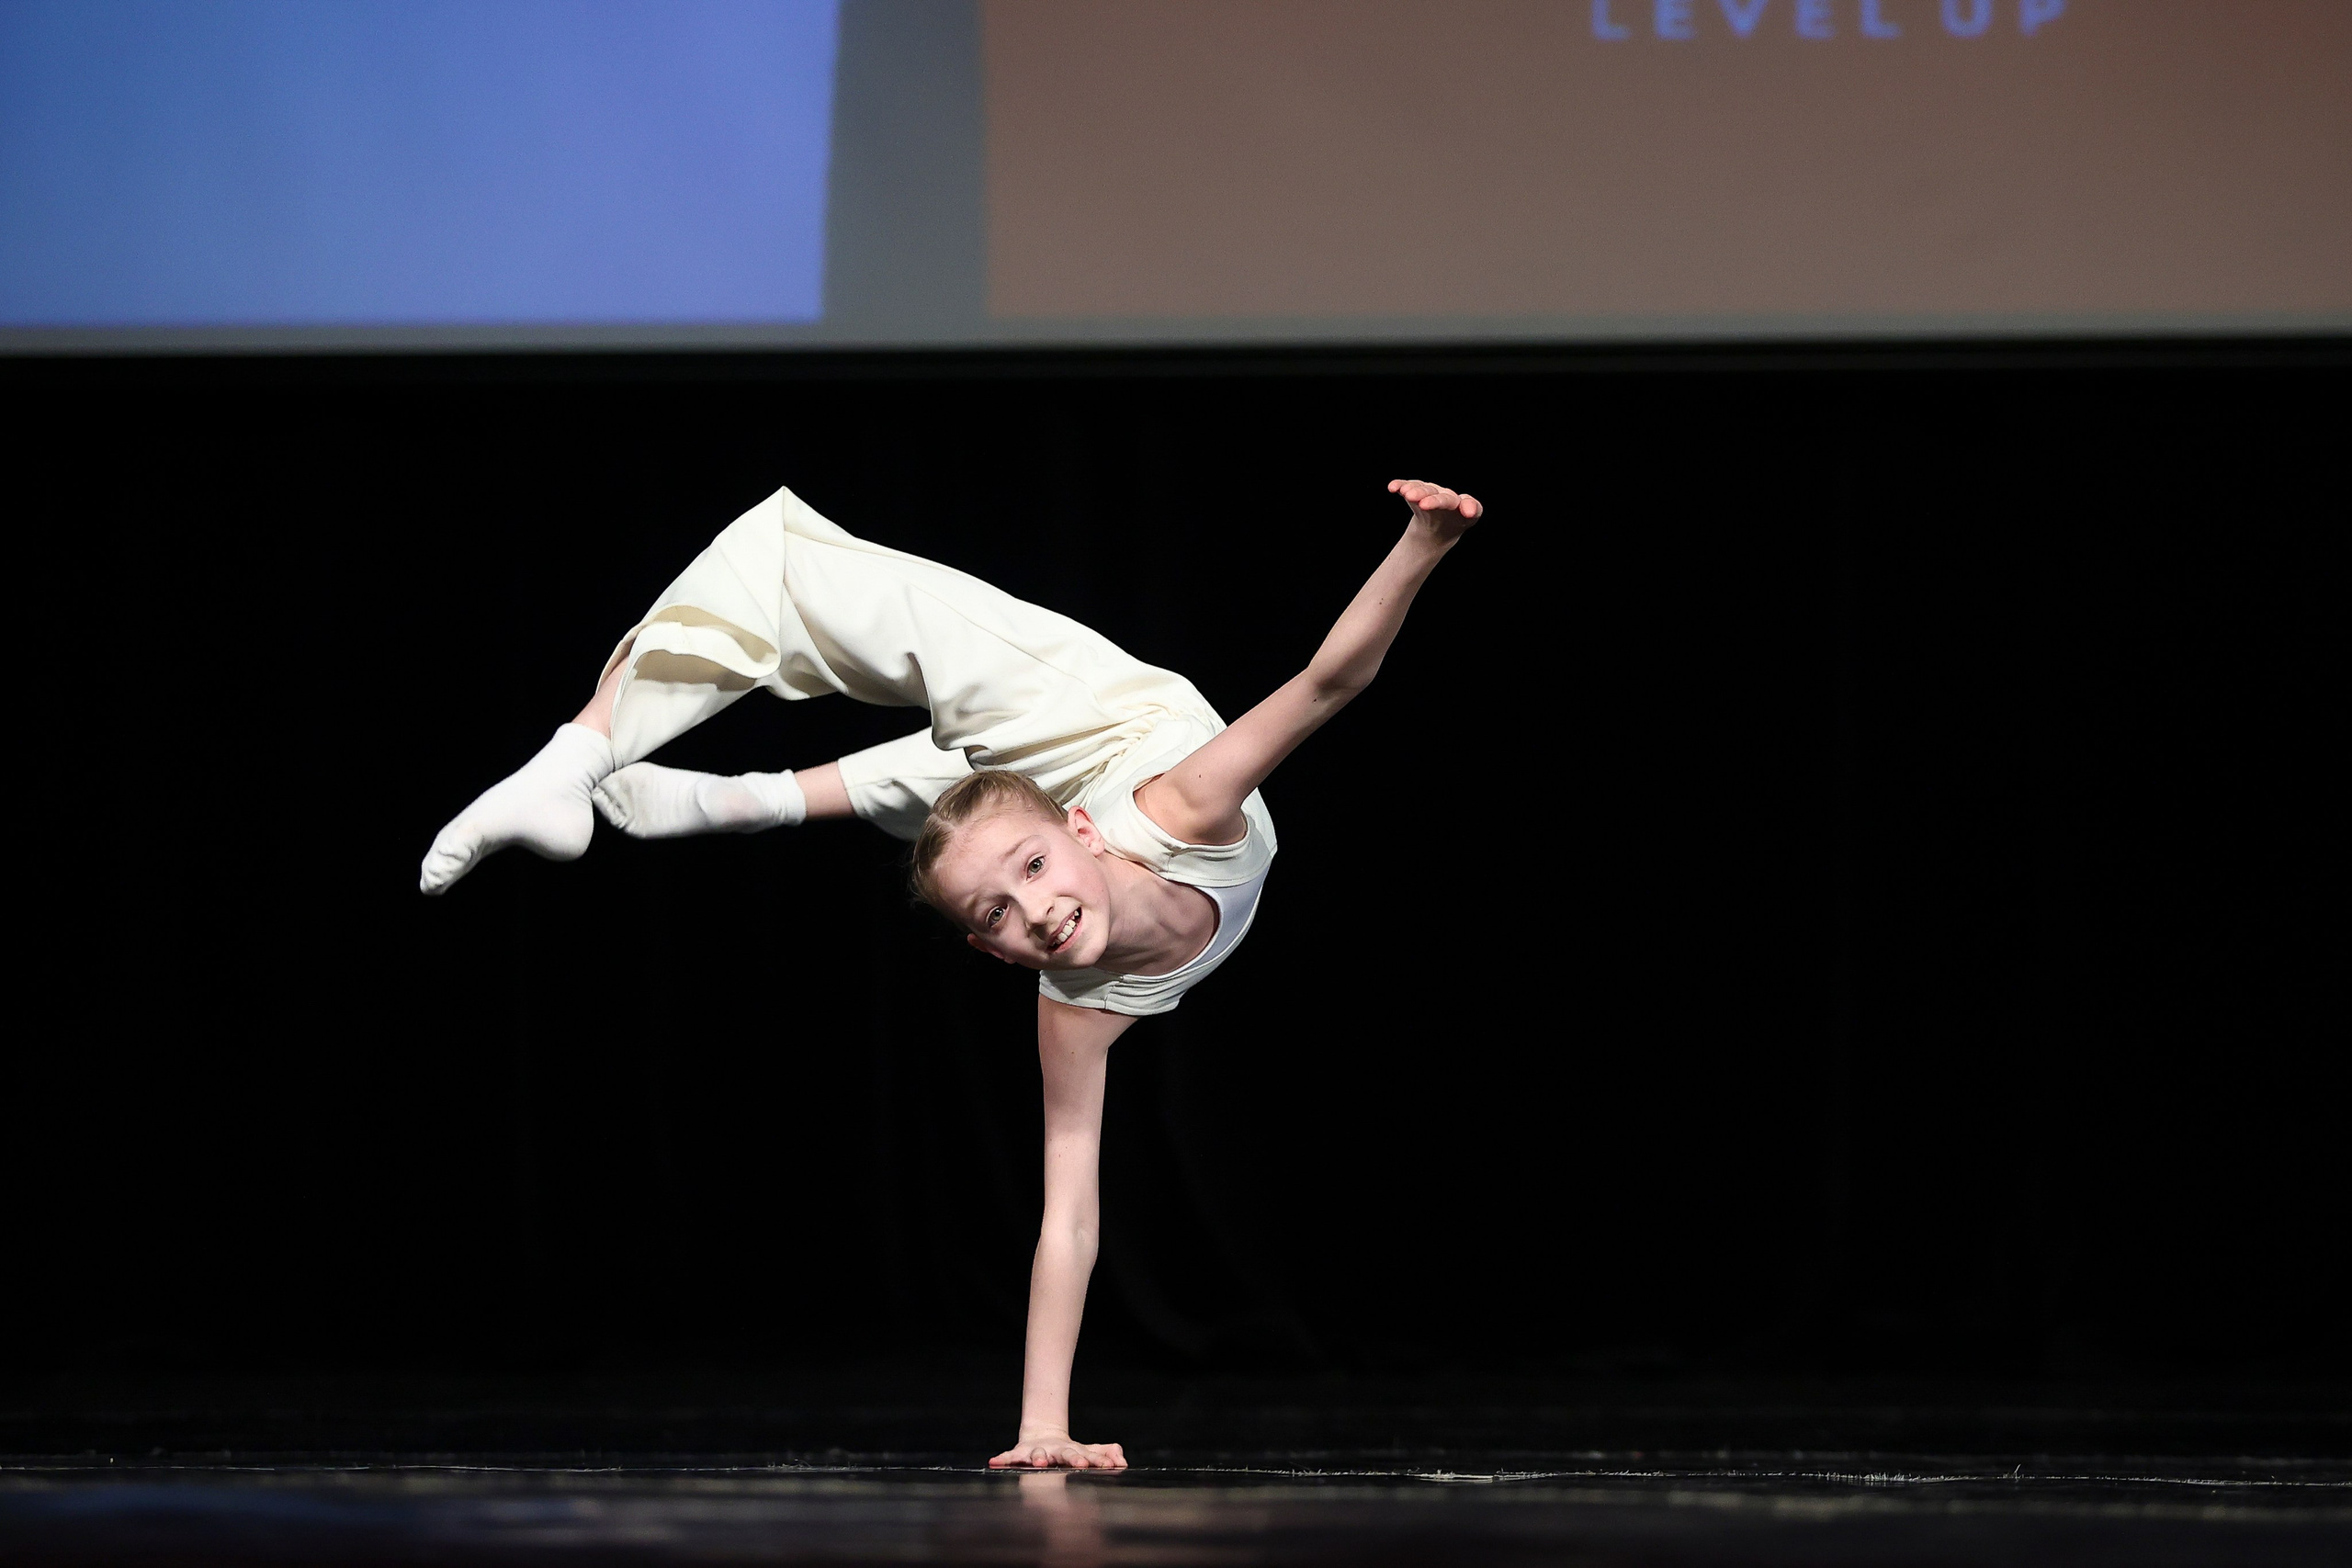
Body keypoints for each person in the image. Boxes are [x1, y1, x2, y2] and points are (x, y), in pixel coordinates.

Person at [419, 476, 1485, 1468]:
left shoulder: (1184, 806)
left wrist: (1423, 543)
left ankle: (670, 782)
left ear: (1079, 836)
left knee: (889, 647)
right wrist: (1044, 1430)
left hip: (1115, 726)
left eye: (1037, 877)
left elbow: (1330, 680)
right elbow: (1069, 1216)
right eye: (1000, 919)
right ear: (991, 953)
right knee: (947, 784)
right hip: (1045, 792)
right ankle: (669, 783)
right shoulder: (1071, 997)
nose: (1037, 913)